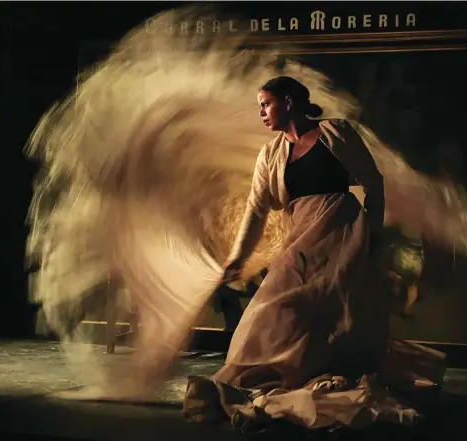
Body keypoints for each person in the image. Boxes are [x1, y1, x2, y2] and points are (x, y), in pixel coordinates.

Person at [183, 76, 442, 432]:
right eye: (260, 105)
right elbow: (256, 210)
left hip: (344, 233)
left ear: (289, 102)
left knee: (337, 315)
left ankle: (326, 372)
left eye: (266, 103)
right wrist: (238, 258)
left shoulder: (335, 132)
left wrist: (373, 233)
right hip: (302, 238)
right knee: (274, 306)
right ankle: (281, 375)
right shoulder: (271, 153)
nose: (261, 112)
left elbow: (373, 181)